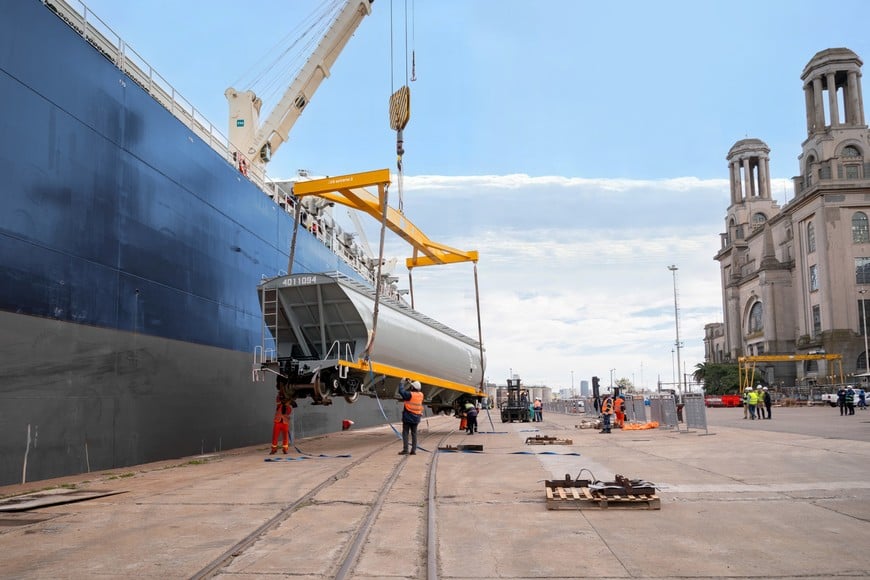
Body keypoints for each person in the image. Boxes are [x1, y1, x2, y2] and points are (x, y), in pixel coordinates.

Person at [398, 379, 424, 455]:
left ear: (413, 388)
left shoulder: (410, 395)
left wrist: (402, 382)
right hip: (416, 418)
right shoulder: (421, 395)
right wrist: (410, 382)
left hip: (408, 417)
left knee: (405, 433)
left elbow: (401, 391)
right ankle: (413, 450)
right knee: (414, 434)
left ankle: (405, 450)